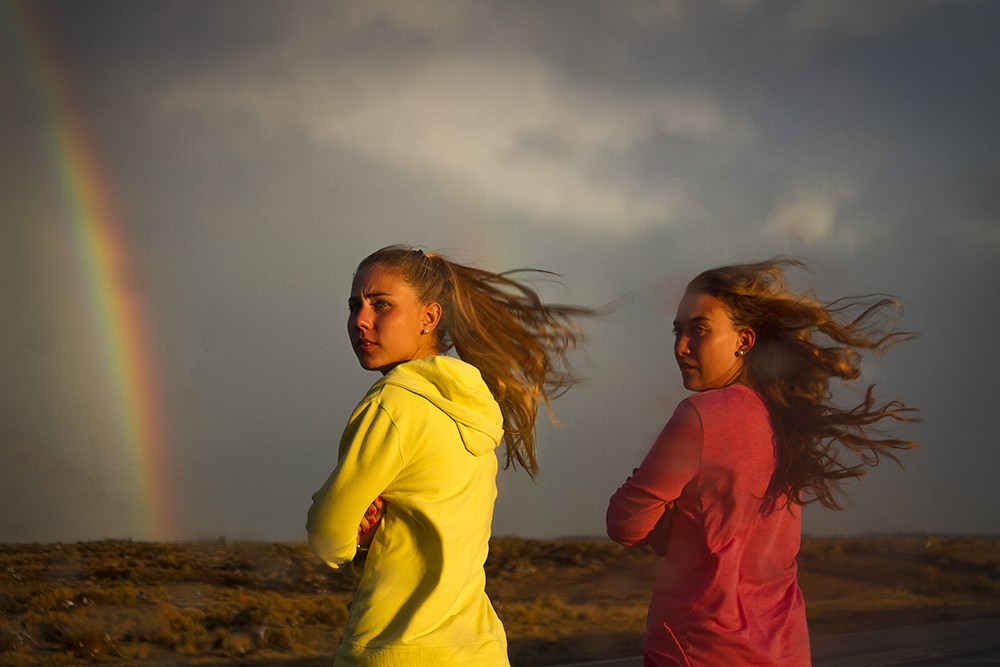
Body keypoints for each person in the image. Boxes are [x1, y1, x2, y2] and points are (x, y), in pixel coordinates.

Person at [606, 258, 917, 667]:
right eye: (678, 331)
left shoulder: (702, 414)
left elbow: (626, 523)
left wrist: (668, 519)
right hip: (785, 648)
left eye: (698, 330)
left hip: (700, 649)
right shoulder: (783, 417)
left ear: (744, 340)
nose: (681, 346)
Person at [307, 245, 591, 667]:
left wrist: (359, 548)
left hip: (398, 649)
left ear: (429, 318)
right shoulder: (476, 405)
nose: (361, 320)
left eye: (381, 305)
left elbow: (328, 535)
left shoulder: (395, 402)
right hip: (477, 651)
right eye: (354, 306)